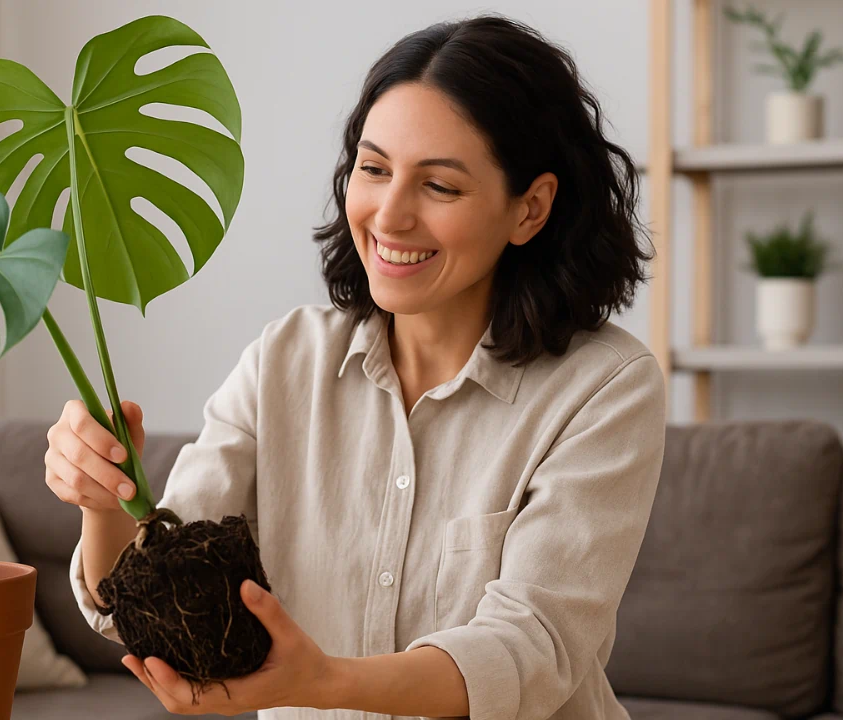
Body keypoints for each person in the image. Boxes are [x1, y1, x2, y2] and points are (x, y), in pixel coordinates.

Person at [48, 13, 665, 720]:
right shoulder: (285, 360)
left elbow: (534, 650)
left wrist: (321, 683)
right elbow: (159, 586)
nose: (389, 216)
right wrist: (102, 502)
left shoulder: (605, 387)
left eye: (440, 186)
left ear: (530, 209)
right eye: (374, 169)